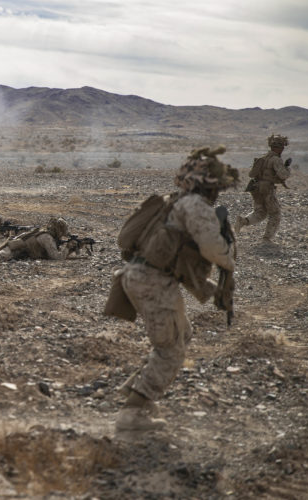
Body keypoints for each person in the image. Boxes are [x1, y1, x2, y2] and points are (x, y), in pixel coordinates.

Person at [111, 146, 238, 432]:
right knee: (171, 351)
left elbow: (177, 258)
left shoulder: (175, 202)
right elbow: (213, 249)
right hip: (153, 283)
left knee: (183, 334)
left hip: (144, 277)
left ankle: (137, 388)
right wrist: (229, 255)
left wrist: (208, 289)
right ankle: (133, 413)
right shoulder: (195, 206)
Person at [235, 134, 291, 243]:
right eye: (282, 147)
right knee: (275, 214)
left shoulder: (263, 158)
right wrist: (287, 168)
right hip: (267, 189)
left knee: (260, 212)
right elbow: (283, 175)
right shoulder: (275, 159)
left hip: (256, 188)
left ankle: (243, 221)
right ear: (278, 148)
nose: (282, 149)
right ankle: (267, 238)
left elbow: (251, 174)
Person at [0, 217, 76, 263]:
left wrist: (70, 249)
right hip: (14, 250)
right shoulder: (47, 237)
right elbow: (56, 258)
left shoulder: (41, 232)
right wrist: (67, 248)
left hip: (12, 245)